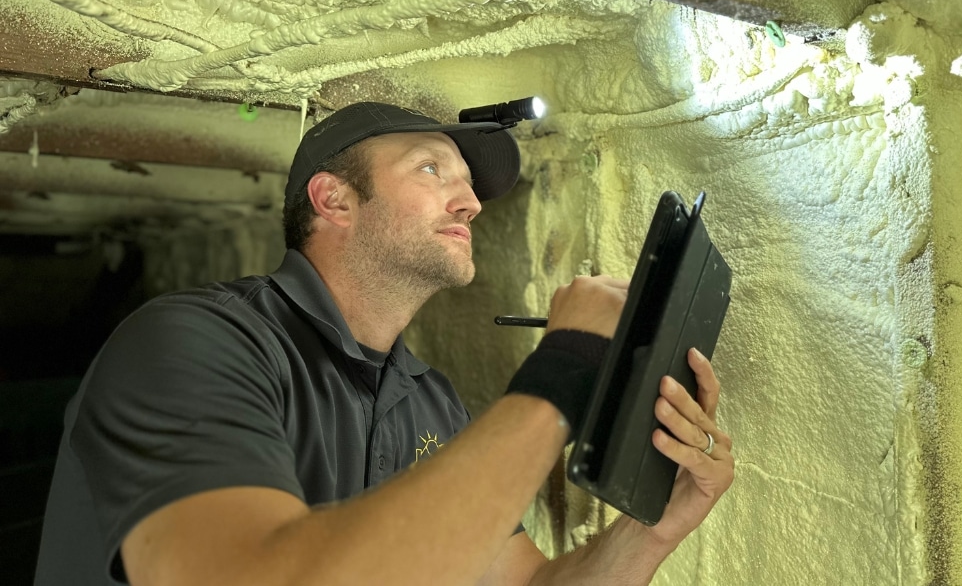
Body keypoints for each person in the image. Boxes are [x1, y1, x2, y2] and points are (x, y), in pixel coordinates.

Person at [35, 101, 734, 586]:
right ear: (334, 200)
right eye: (432, 169)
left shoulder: (430, 403)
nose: (469, 203)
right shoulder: (194, 342)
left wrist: (657, 527)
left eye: (467, 185)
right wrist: (563, 371)